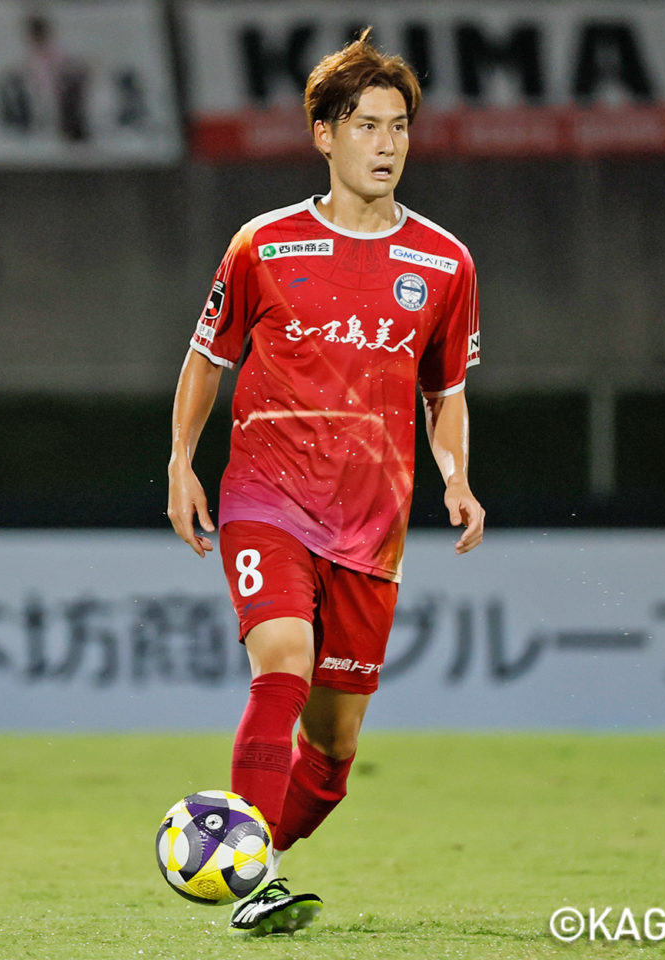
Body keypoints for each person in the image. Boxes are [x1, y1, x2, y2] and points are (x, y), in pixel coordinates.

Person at [166, 28, 484, 938]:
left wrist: (457, 479)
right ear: (324, 135)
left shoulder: (445, 264)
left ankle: (237, 855)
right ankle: (255, 884)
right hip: (266, 497)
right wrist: (182, 460)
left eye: (399, 127)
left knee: (333, 756)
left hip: (373, 525)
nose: (387, 145)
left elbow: (446, 394)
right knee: (283, 665)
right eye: (367, 126)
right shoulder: (263, 245)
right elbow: (207, 357)